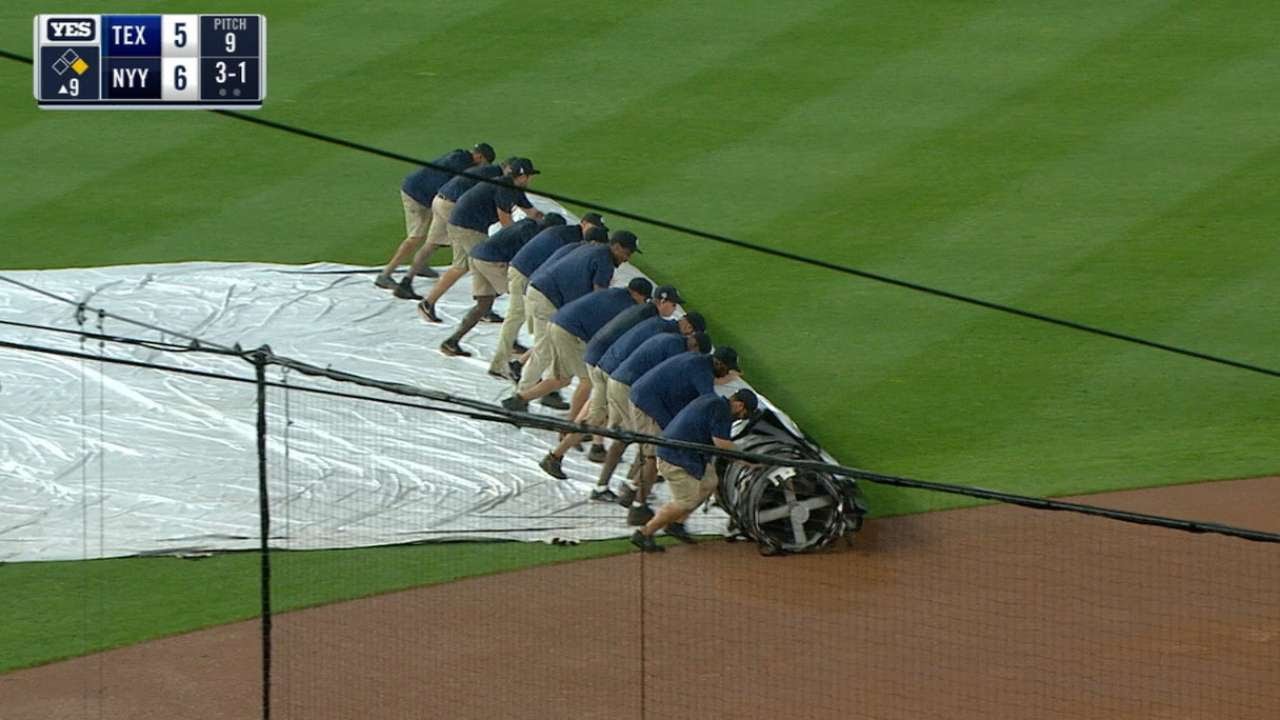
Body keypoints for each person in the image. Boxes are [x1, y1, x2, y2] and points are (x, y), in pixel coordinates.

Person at [540, 285, 684, 477]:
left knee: (598, 409)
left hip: (603, 359)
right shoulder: (651, 320)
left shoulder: (644, 312)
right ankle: (555, 456)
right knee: (597, 415)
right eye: (673, 305)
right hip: (607, 364)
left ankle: (591, 445)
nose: (674, 310)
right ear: (663, 301)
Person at [589, 310, 707, 501]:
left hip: (618, 380)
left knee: (627, 437)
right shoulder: (676, 348)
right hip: (627, 387)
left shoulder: (668, 338)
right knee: (645, 442)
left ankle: (617, 485)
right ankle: (629, 488)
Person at [512, 229, 636, 409]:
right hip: (548, 299)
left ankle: (547, 392)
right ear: (616, 247)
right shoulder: (605, 261)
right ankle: (520, 396)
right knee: (544, 350)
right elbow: (599, 300)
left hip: (542, 291)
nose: (627, 258)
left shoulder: (589, 248)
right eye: (627, 253)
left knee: (553, 349)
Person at [630, 389, 758, 553]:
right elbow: (722, 444)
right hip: (674, 458)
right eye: (744, 415)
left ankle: (677, 524)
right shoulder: (721, 411)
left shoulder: (713, 401)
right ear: (739, 405)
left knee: (709, 482)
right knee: (685, 501)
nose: (741, 418)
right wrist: (748, 460)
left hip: (686, 455)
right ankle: (644, 533)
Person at [417, 158, 543, 323]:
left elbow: (532, 212)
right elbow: (506, 222)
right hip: (469, 227)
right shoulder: (504, 188)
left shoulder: (513, 188)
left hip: (461, 223)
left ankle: (428, 303)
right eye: (529, 176)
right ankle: (484, 308)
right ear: (522, 176)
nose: (530, 180)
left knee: (461, 266)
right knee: (486, 262)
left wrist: (547, 223)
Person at [625, 346, 742, 525]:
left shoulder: (698, 361)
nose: (726, 373)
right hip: (647, 404)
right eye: (726, 369)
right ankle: (637, 506)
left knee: (655, 450)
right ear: (718, 363)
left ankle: (632, 488)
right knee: (652, 455)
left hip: (655, 402)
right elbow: (710, 402)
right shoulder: (702, 371)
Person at [500, 278, 653, 414]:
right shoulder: (628, 307)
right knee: (587, 381)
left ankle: (517, 400)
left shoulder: (613, 293)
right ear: (638, 294)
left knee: (561, 378)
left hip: (557, 322)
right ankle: (572, 423)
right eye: (644, 299)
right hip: (570, 333)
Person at [490, 213, 608, 380]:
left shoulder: (569, 235)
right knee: (516, 318)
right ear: (583, 223)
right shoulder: (569, 240)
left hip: (529, 275)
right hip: (525, 274)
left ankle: (518, 365)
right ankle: (501, 365)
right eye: (593, 226)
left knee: (537, 329)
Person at [439, 213, 566, 358]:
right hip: (493, 260)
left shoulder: (527, 223)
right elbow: (525, 263)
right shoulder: (533, 235)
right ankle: (511, 343)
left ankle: (452, 340)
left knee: (483, 305)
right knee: (521, 302)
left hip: (477, 255)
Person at [375, 143, 495, 293]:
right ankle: (385, 274)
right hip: (417, 196)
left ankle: (419, 266)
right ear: (479, 157)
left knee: (434, 238)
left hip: (424, 194)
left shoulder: (460, 155)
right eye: (484, 163)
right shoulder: (462, 164)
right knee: (416, 237)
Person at [391, 162, 508, 299]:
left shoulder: (484, 170)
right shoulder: (496, 177)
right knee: (476, 255)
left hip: (440, 199)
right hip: (453, 207)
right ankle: (484, 299)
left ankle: (406, 282)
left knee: (432, 244)